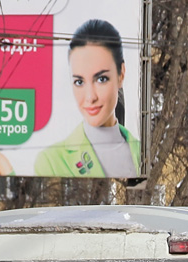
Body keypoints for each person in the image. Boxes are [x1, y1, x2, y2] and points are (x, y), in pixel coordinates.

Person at [34, 19, 141, 178]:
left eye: (101, 79)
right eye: (79, 82)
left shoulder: (140, 151)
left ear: (121, 74)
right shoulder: (51, 160)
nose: (90, 97)